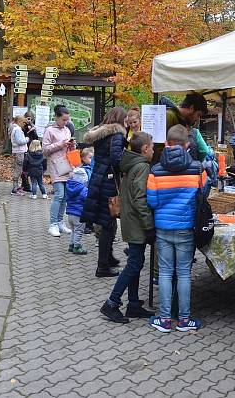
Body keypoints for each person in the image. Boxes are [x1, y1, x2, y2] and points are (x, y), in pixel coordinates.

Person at [147, 124, 208, 333]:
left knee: (164, 273)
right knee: (183, 273)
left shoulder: (155, 171)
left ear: (165, 144)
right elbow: (202, 197)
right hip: (187, 228)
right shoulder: (198, 169)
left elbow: (152, 202)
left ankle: (164, 320)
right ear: (187, 145)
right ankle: (184, 320)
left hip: (162, 228)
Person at [100, 131, 156, 323]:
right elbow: (140, 198)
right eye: (152, 147)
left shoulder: (131, 164)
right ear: (145, 148)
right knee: (133, 264)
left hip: (130, 220)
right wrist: (148, 226)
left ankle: (133, 304)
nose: (154, 150)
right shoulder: (142, 167)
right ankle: (112, 303)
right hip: (136, 222)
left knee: (136, 262)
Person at [82, 107, 128, 278]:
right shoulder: (116, 135)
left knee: (107, 221)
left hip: (99, 179)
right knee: (108, 223)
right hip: (108, 182)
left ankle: (108, 258)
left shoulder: (101, 134)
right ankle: (103, 266)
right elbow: (116, 159)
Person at [43, 106, 75, 237]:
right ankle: (53, 224)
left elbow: (68, 148)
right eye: (63, 119)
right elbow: (45, 149)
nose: (65, 122)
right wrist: (60, 144)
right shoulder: (49, 131)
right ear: (56, 117)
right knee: (59, 195)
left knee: (66, 197)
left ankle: (60, 222)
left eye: (67, 120)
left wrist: (71, 145)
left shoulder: (67, 130)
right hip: (56, 166)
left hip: (67, 165)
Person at [152, 93, 209, 164]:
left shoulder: (179, 120)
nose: (197, 119)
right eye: (198, 115)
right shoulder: (169, 116)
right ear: (191, 108)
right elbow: (158, 148)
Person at [66, 167, 89, 255]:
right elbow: (87, 199)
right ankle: (77, 246)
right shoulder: (83, 189)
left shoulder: (69, 186)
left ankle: (71, 245)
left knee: (73, 230)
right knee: (79, 231)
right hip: (79, 213)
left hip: (70, 214)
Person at [9, 116, 29, 195]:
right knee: (18, 169)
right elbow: (19, 141)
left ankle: (17, 187)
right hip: (19, 152)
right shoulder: (17, 130)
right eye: (23, 122)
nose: (24, 124)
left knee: (19, 169)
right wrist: (27, 139)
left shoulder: (16, 129)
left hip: (19, 151)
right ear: (20, 121)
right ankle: (15, 188)